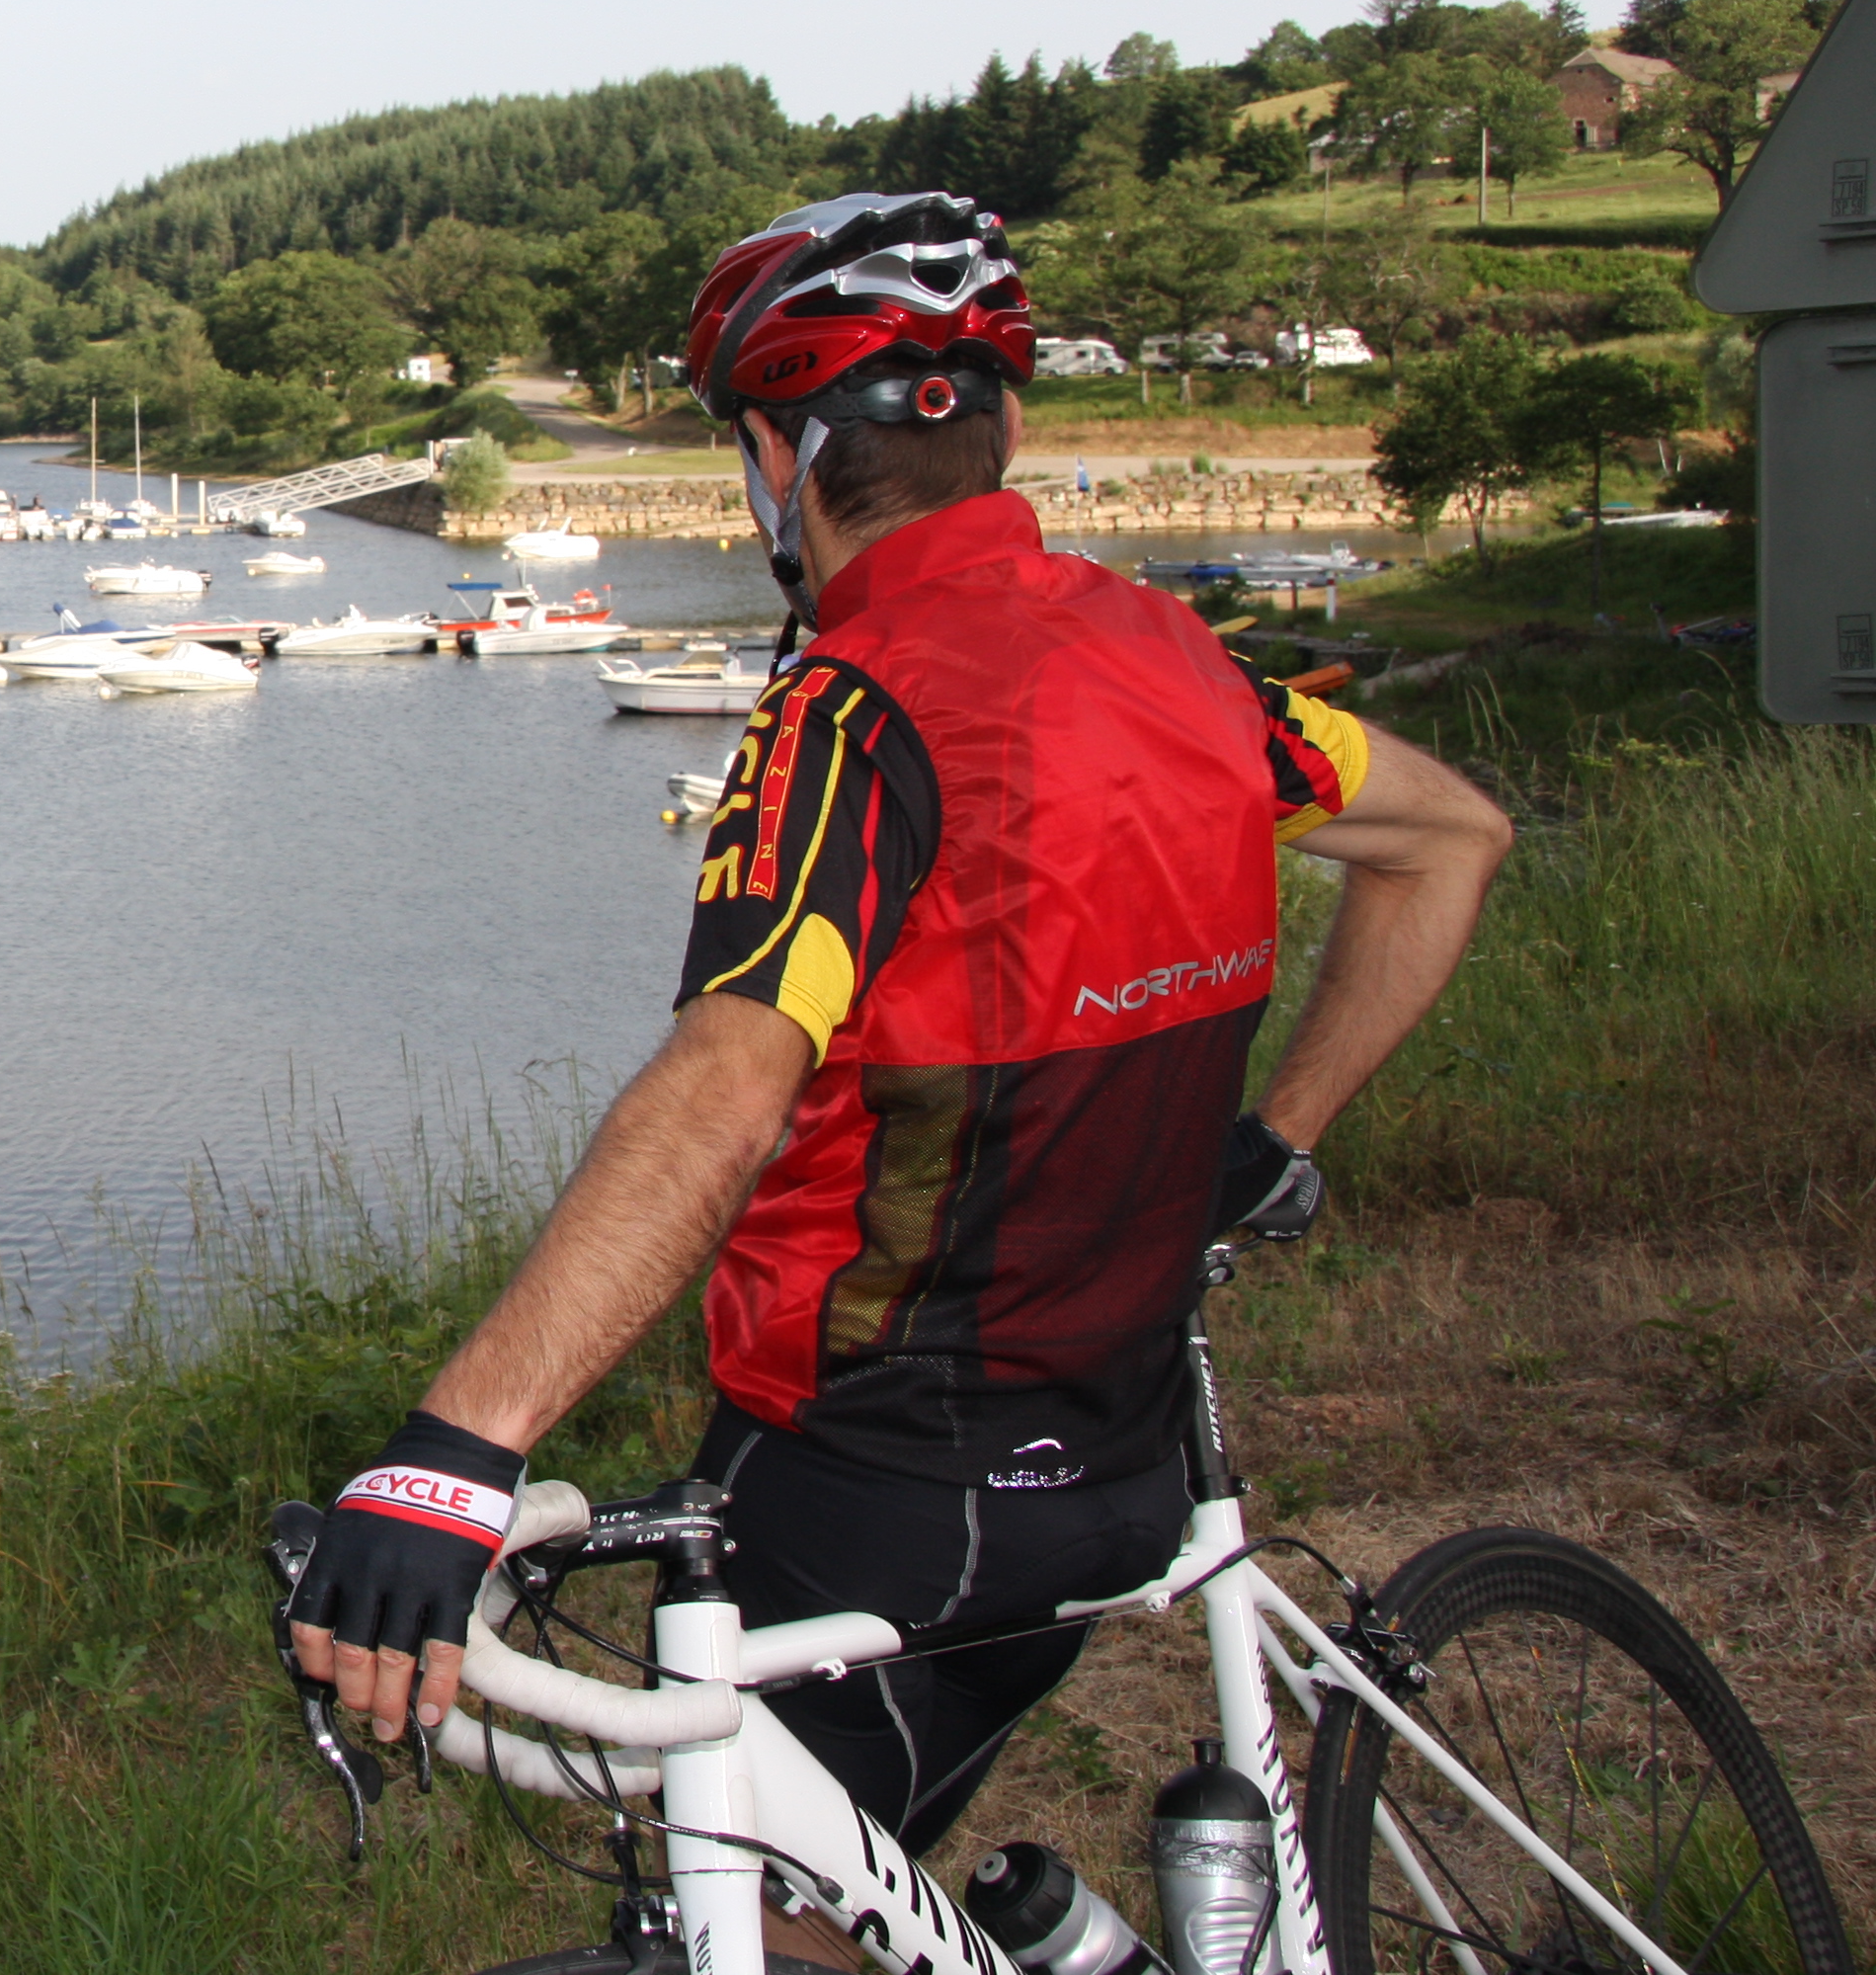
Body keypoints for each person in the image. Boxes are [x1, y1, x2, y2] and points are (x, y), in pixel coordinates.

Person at [284, 190, 1511, 1874]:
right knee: (874, 1877)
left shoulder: (855, 713)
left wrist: (457, 1450)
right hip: (1123, 1438)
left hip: (890, 1482)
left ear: (780, 461)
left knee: (756, 1899)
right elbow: (1451, 838)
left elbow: (726, 1079)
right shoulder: (1185, 663)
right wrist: (1278, 1138)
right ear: (1000, 429)